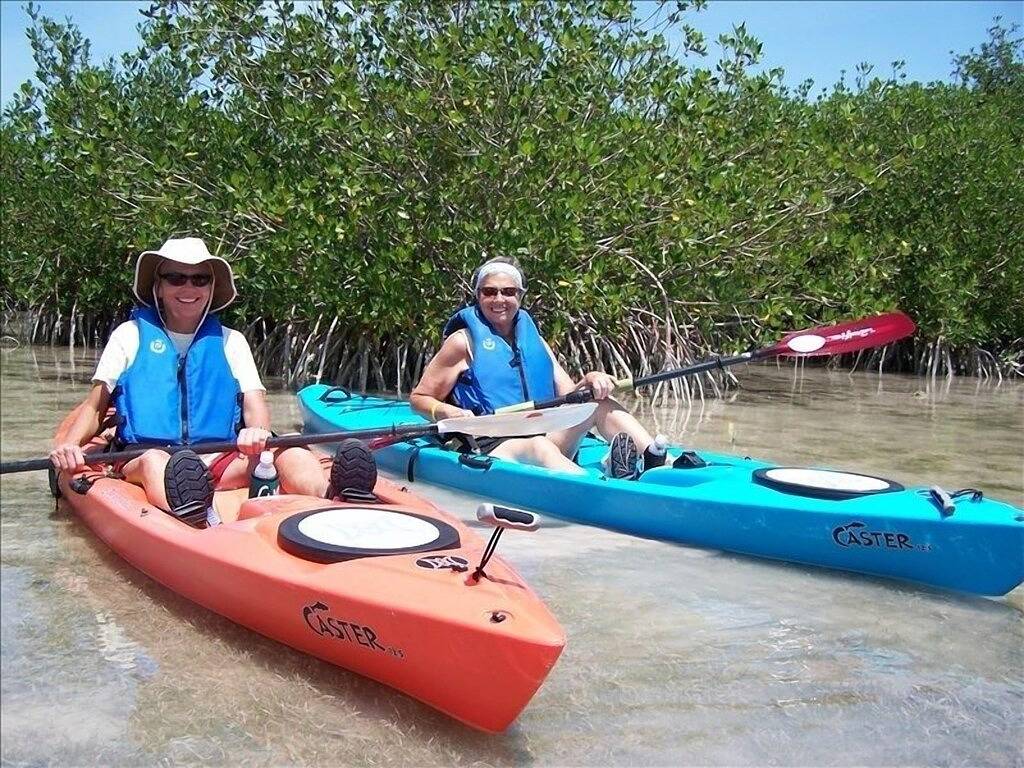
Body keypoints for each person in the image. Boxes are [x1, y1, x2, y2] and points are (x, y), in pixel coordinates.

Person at [49, 237, 352, 525]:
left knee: (292, 453)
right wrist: (69, 446)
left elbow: (254, 403)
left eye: (199, 279)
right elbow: (94, 408)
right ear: (159, 286)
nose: (188, 287)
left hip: (219, 457)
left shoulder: (231, 341)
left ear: (211, 287)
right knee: (157, 462)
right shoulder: (129, 336)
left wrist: (257, 431)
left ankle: (335, 497)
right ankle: (191, 511)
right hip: (144, 455)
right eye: (176, 278)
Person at [410, 257, 665, 478]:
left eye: (508, 292)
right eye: (489, 292)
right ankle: (603, 487)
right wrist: (444, 411)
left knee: (598, 403)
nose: (499, 299)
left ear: (520, 295)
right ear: (478, 296)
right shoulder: (462, 342)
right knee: (538, 447)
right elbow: (419, 398)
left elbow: (571, 397)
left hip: (544, 433)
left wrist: (591, 380)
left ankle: (655, 462)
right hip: (491, 442)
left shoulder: (535, 341)